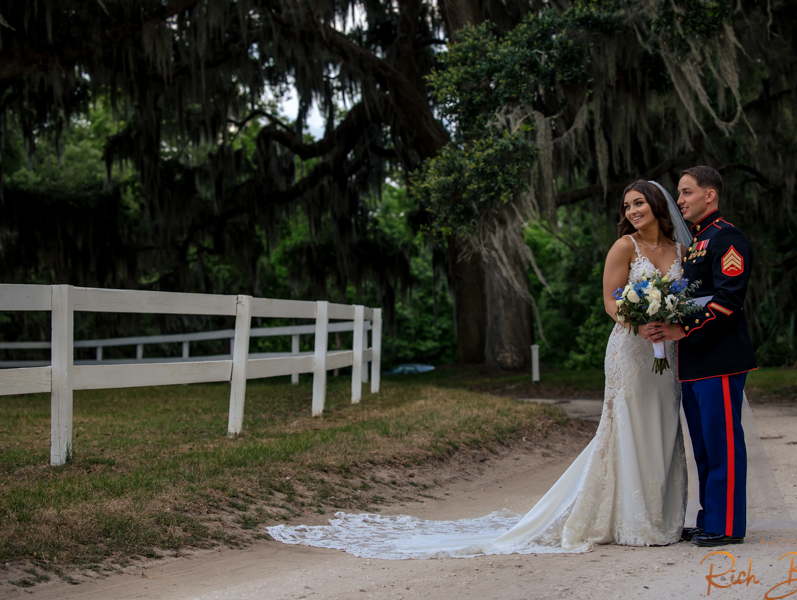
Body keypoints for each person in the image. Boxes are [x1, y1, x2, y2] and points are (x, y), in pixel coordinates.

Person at [267, 180, 691, 558]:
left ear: (657, 205)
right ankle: (631, 521)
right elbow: (611, 303)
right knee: (628, 428)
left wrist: (668, 326)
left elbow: (689, 301)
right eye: (627, 206)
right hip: (629, 351)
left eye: (639, 204)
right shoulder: (624, 247)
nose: (632, 211)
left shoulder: (681, 251)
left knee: (664, 425)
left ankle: (662, 516)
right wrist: (640, 323)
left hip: (666, 351)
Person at [646, 166, 758, 548]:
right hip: (695, 360)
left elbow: (728, 303)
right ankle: (711, 516)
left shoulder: (727, 238)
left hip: (720, 357)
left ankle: (727, 525)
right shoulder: (696, 243)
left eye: (687, 192)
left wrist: (682, 331)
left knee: (723, 442)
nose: (680, 201)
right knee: (705, 447)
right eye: (680, 193)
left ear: (709, 195)